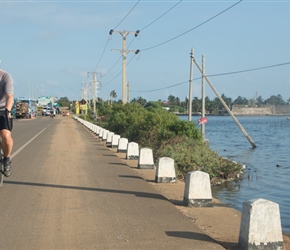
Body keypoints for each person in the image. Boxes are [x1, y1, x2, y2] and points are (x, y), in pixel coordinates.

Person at [0, 69, 14, 177]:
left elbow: (10, 96)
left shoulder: (5, 77)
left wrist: (7, 110)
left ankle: (7, 159)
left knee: (5, 135)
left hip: (2, 110)